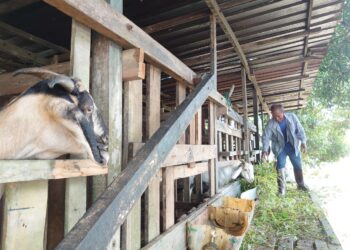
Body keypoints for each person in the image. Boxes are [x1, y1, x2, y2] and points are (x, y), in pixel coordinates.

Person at [262, 103, 309, 196]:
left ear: (283, 112)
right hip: (280, 148)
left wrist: (303, 141)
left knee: (297, 165)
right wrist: (264, 150)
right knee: (280, 166)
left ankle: (301, 184)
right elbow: (266, 137)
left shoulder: (292, 117)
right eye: (274, 116)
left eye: (278, 116)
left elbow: (300, 129)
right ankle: (281, 190)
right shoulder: (271, 123)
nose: (277, 119)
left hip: (292, 146)